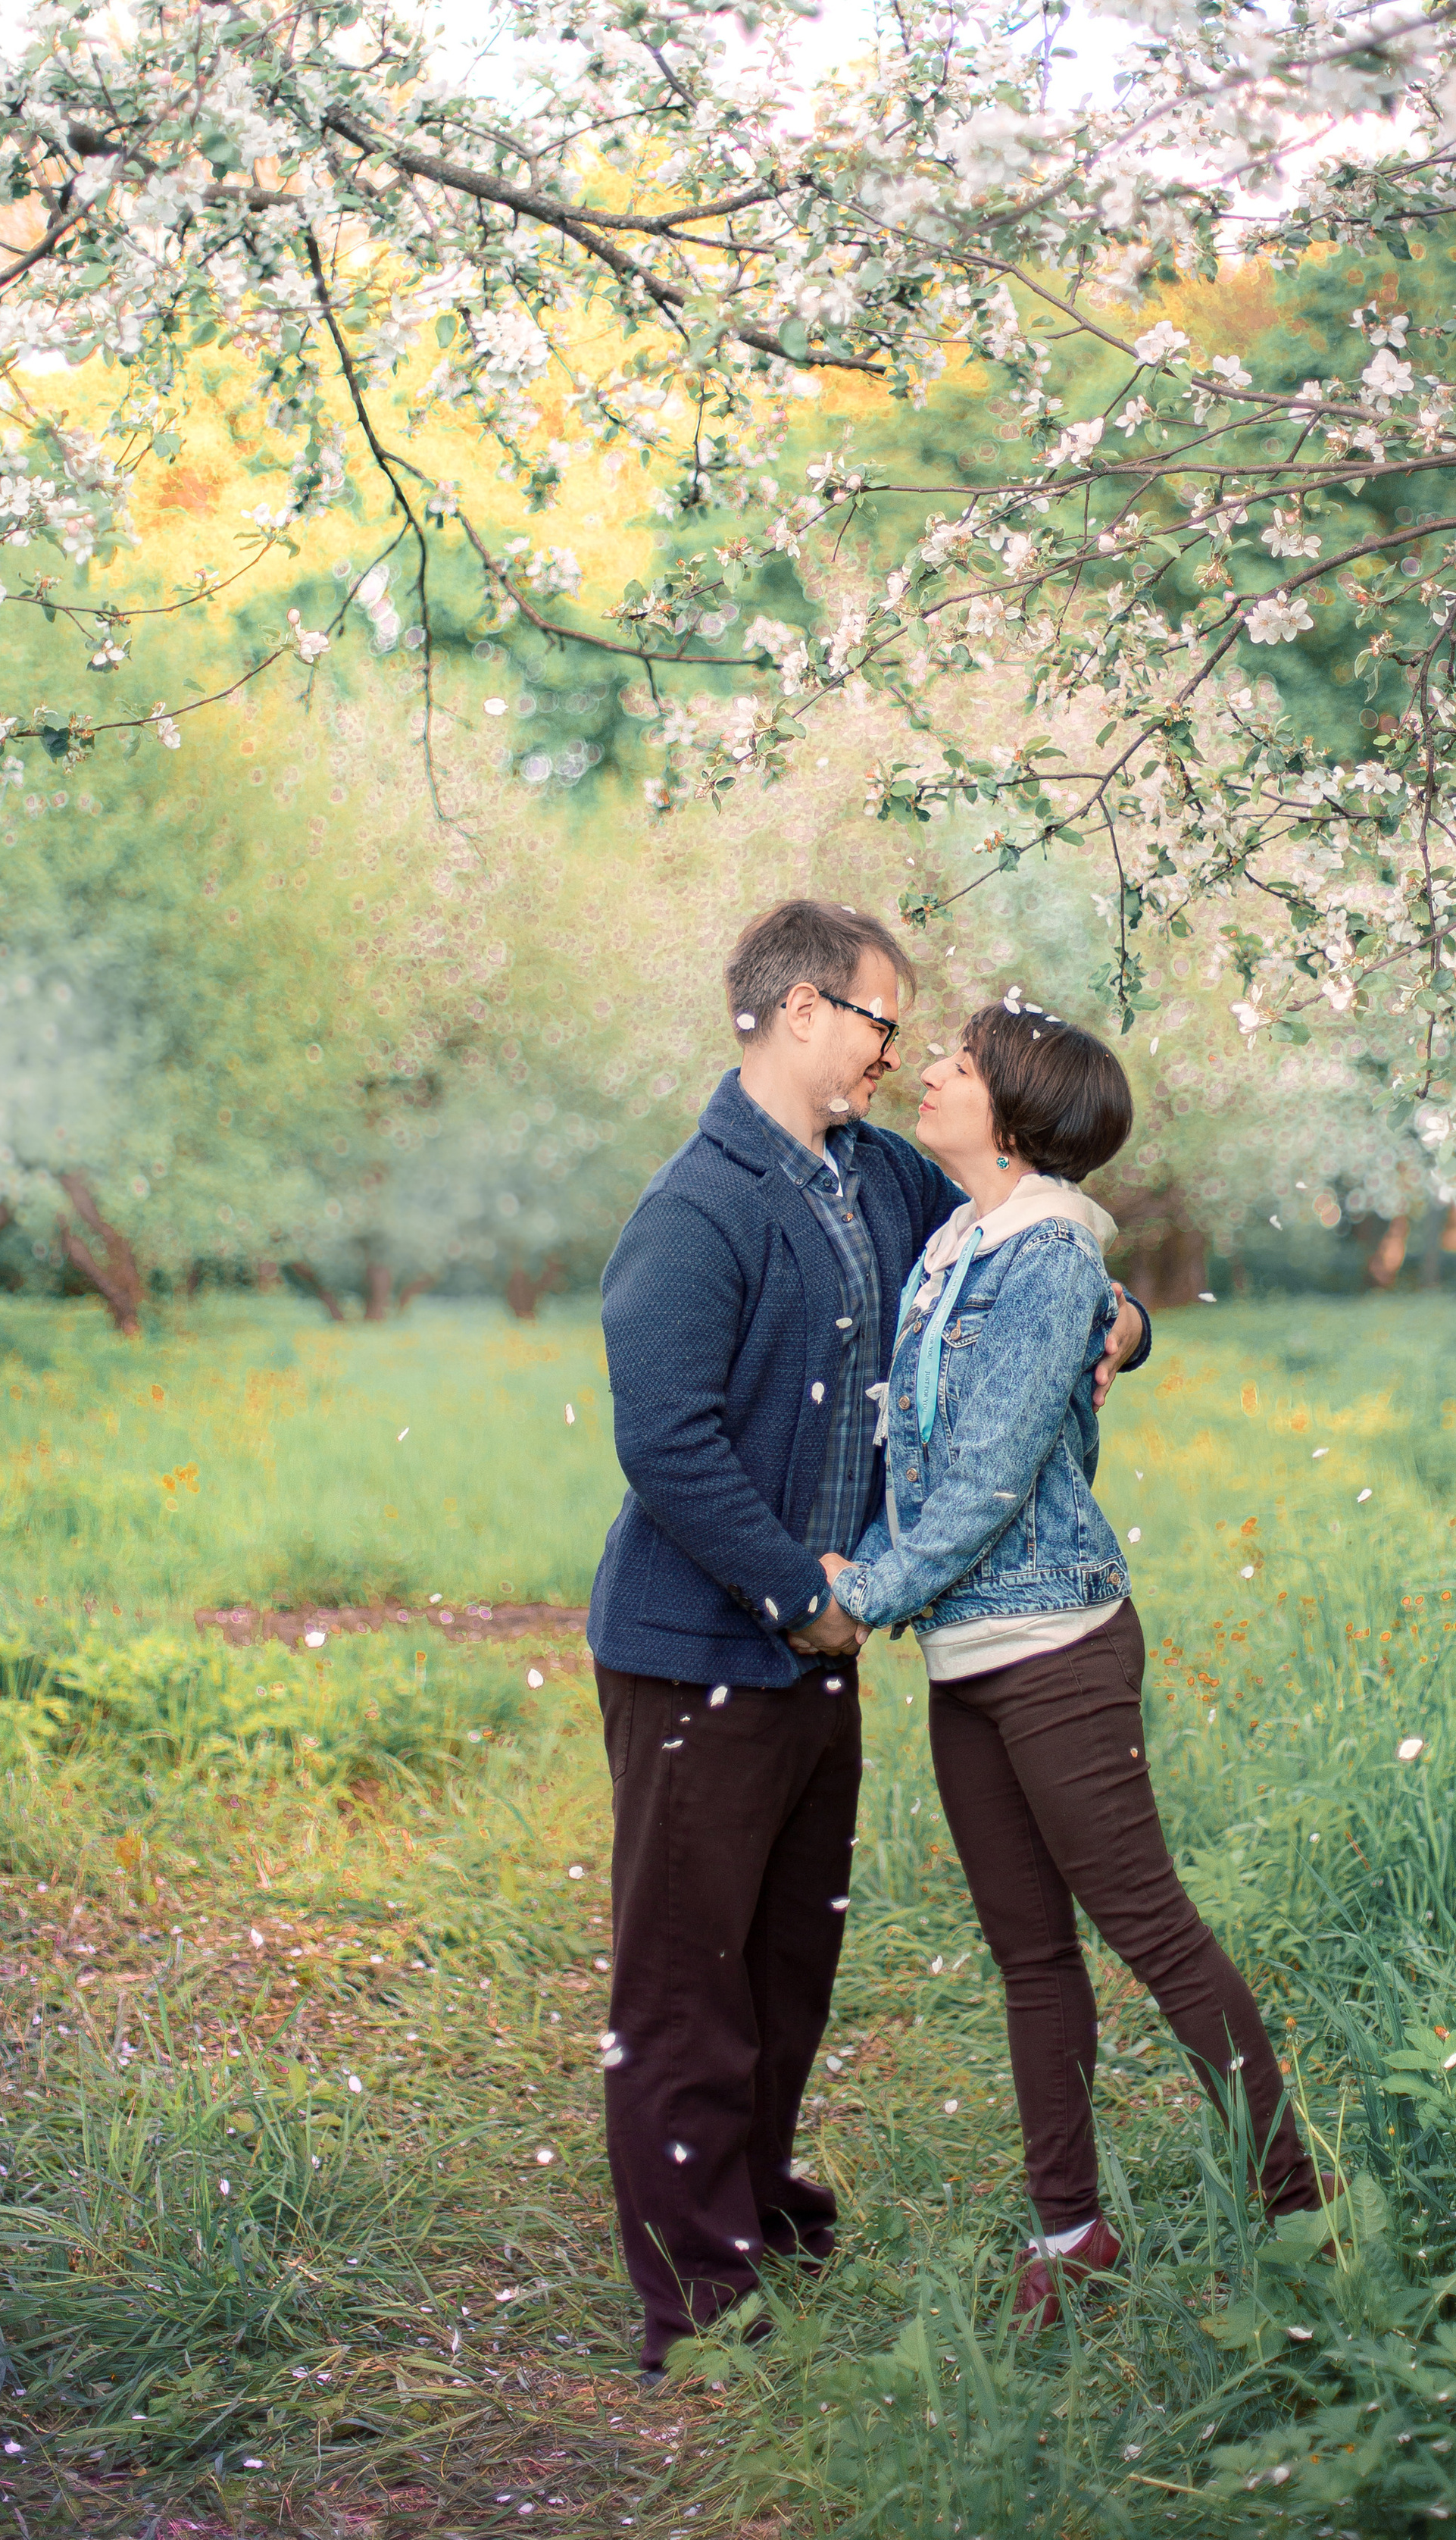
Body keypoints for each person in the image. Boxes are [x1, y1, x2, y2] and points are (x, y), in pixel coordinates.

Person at [586, 902, 1151, 2376]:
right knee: (683, 1981)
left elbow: (1016, 1245)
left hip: (815, 1651)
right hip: (701, 1645)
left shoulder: (880, 1179)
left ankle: (753, 2206)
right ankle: (694, 2308)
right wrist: (796, 1588)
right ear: (796, 1012)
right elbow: (667, 1439)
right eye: (881, 1019)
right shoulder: (693, 1210)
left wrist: (1123, 1316)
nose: (898, 1051)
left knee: (785, 1963)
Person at [825, 999, 1337, 2331]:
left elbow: (990, 1471)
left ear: (1013, 1109)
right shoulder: (960, 1237)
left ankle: (1306, 2217)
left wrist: (869, 1590)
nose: (929, 1070)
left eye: (956, 1062)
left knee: (1150, 1928)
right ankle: (1074, 2236)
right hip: (966, 1659)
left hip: (1055, 1647)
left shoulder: (1048, 1251)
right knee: (1030, 1956)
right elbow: (923, 1446)